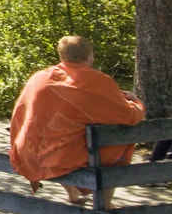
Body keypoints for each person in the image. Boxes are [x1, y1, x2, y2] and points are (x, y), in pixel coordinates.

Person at [9, 36, 145, 205]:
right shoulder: (97, 80)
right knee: (120, 141)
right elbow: (129, 116)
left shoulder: (39, 78)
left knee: (61, 137)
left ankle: (73, 193)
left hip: (31, 154)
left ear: (61, 56)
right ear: (89, 56)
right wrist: (136, 102)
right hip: (64, 155)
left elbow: (20, 111)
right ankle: (106, 203)